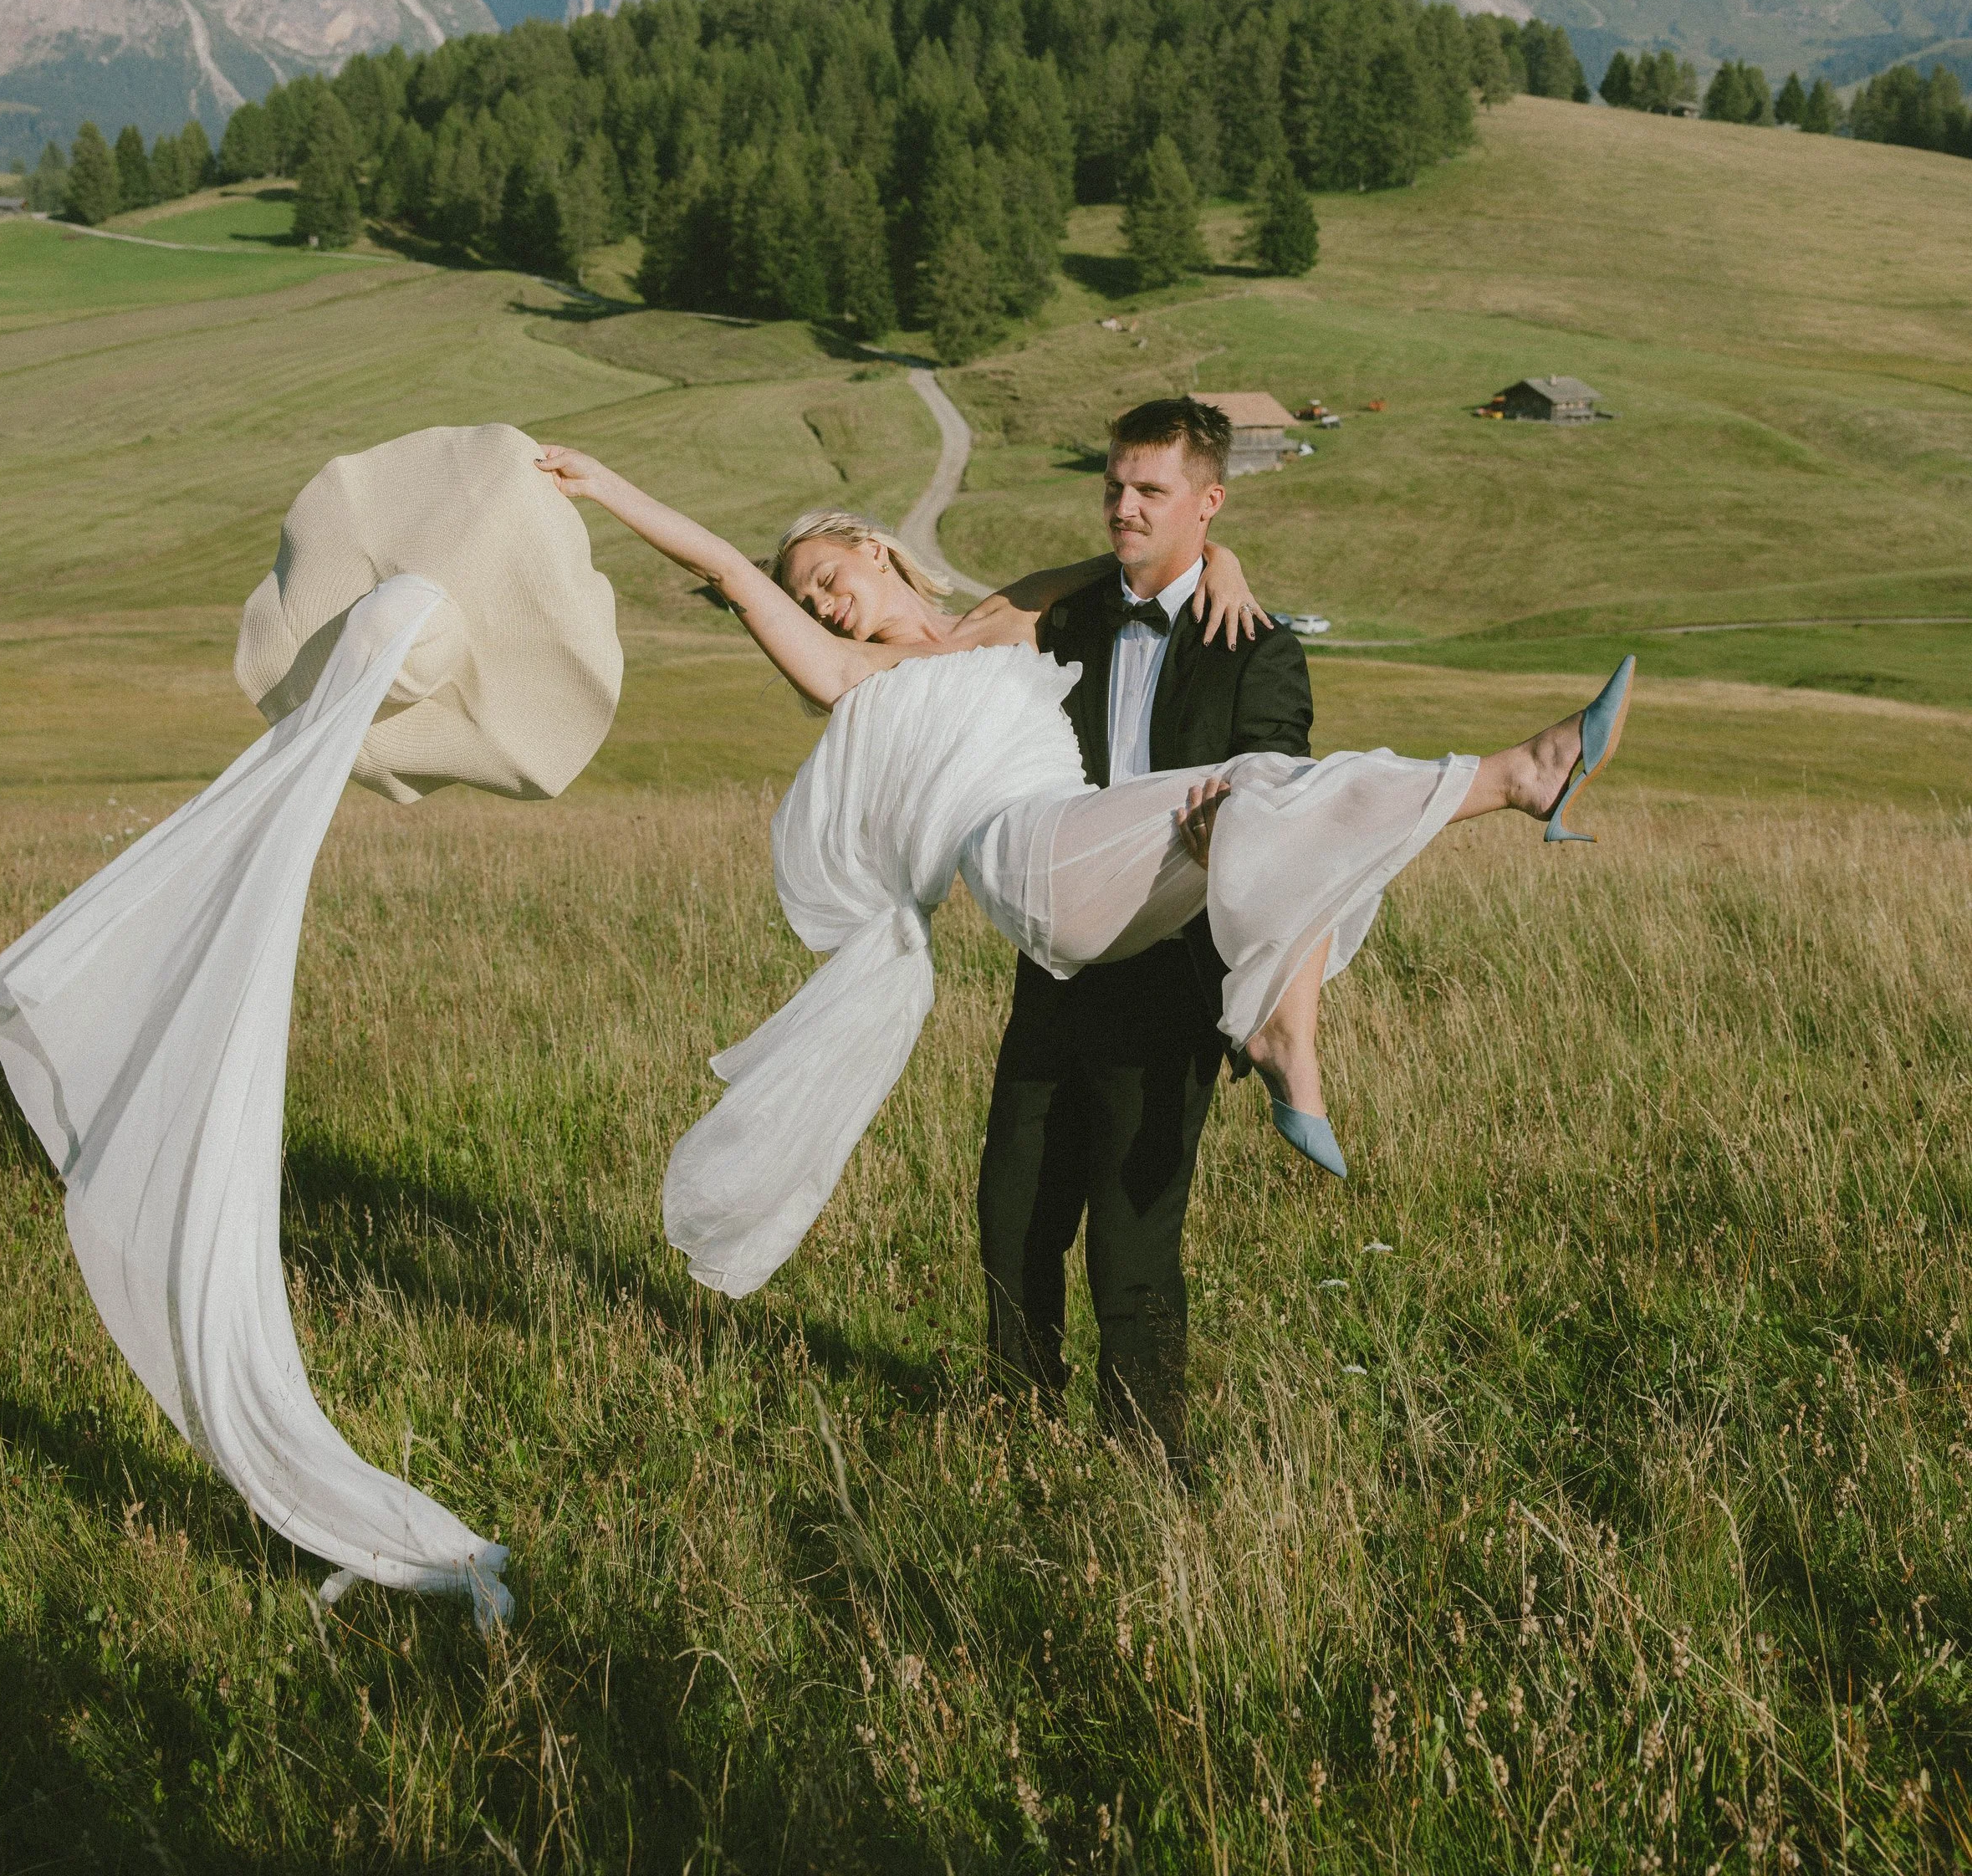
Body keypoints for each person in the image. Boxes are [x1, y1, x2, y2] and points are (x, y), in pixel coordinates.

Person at [535, 441, 1635, 1307]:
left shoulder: (1007, 616)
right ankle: (1518, 778)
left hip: (1092, 845)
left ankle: (1287, 1021)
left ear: (874, 549)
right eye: (809, 599)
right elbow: (727, 570)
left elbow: (1150, 565)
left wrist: (1233, 562)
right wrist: (604, 486)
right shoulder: (852, 671)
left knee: (1253, 790)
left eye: (827, 577)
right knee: (1244, 794)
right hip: (1022, 856)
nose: (822, 604)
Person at [974, 395, 1314, 1463]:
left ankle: (1148, 1460)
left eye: (1149, 491)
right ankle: (1015, 1426)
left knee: (1133, 1232)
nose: (1123, 506)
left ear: (1206, 503)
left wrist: (1236, 820)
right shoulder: (1071, 617)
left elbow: (1280, 779)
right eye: (1114, 485)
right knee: (1011, 1210)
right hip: (1053, 962)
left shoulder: (1257, 648)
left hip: (1172, 975)